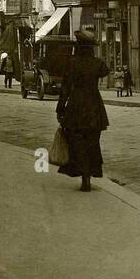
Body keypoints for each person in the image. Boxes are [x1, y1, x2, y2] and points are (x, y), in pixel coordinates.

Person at [55, 28, 110, 192]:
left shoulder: (72, 63)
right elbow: (105, 71)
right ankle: (88, 177)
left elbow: (66, 88)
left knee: (77, 142)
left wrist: (60, 108)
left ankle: (83, 176)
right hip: (94, 104)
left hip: (76, 104)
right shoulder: (98, 63)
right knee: (92, 142)